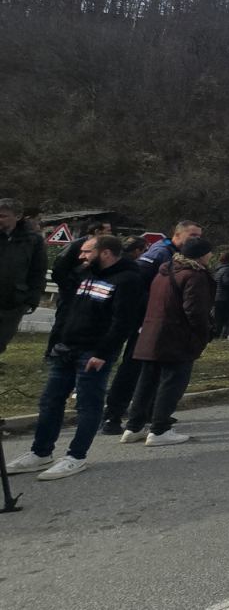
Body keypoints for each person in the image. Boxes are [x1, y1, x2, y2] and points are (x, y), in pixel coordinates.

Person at [6, 235, 142, 480]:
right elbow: (62, 276)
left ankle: (76, 456)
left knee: (87, 406)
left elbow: (123, 322)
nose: (82, 256)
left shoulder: (128, 280)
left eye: (87, 251)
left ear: (106, 253)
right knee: (50, 402)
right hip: (66, 348)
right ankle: (41, 452)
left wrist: (103, 353)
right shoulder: (85, 273)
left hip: (93, 352)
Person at [102, 220, 201, 434]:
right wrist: (148, 310)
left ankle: (149, 412)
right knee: (133, 367)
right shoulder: (159, 253)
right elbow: (137, 284)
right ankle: (113, 415)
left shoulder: (179, 256)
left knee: (153, 370)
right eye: (192, 235)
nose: (196, 239)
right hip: (144, 320)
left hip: (160, 322)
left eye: (199, 236)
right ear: (177, 234)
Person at [120, 237, 215, 446]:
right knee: (172, 383)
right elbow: (195, 310)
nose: (211, 256)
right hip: (177, 336)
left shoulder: (164, 271)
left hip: (152, 332)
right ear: (201, 255)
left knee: (147, 382)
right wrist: (203, 333)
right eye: (209, 253)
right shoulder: (194, 276)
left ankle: (133, 426)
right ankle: (160, 429)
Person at [0, 198, 47, 360]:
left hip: (14, 299)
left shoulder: (32, 241)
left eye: (3, 216)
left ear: (18, 216)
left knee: (3, 337)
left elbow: (38, 271)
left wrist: (32, 298)